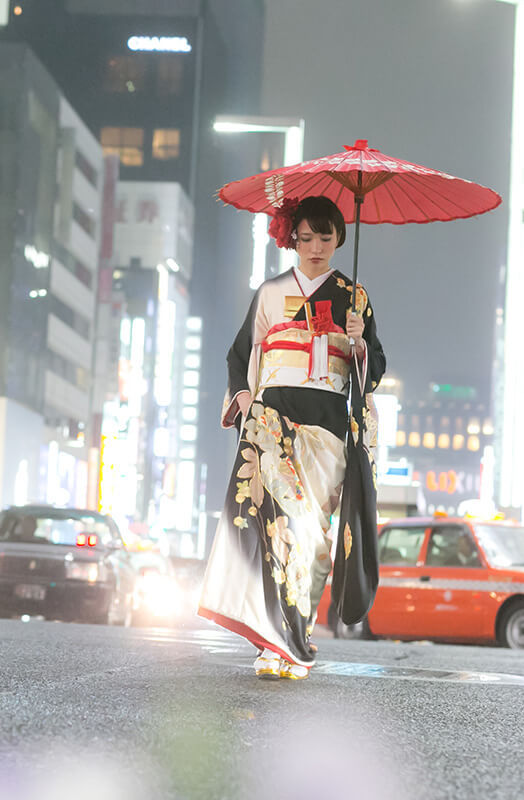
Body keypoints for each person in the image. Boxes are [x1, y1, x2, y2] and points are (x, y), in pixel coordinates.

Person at [198, 195, 387, 681]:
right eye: (306, 237)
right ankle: (270, 644)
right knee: (268, 531)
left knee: (312, 539)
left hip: (326, 423)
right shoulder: (270, 292)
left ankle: (295, 634)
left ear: (340, 238)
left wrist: (360, 341)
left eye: (326, 237)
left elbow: (377, 368)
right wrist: (243, 397)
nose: (316, 247)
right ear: (292, 239)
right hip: (273, 418)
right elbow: (239, 355)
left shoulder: (354, 296)